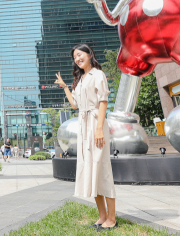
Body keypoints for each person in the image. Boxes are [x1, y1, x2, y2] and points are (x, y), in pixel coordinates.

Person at [55, 43, 116, 231]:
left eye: (80, 54)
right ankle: (102, 216)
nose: (77, 59)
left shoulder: (98, 74)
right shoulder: (80, 79)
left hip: (95, 123)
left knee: (102, 168)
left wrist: (99, 129)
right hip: (83, 125)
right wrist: (65, 86)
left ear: (90, 54)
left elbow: (103, 101)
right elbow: (74, 105)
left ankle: (112, 218)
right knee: (91, 170)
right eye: (75, 57)